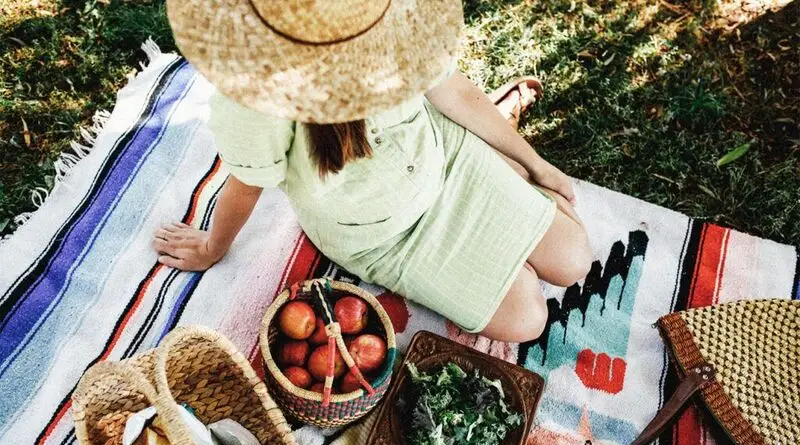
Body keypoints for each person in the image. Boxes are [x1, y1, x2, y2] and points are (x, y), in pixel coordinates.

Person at [154, 0, 592, 342]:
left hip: (446, 162)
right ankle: (507, 171)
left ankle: (505, 160)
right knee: (529, 318)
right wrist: (213, 246)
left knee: (574, 262)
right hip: (385, 237)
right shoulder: (254, 93)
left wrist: (537, 164)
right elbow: (246, 186)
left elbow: (451, 91)